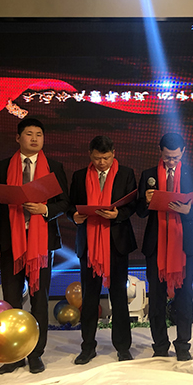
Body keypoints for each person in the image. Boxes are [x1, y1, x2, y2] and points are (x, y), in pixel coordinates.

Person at [0, 117, 69, 374]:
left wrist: (45, 209)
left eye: (39, 134)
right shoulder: (2, 167)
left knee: (39, 299)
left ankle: (35, 354)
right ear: (18, 138)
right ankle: (14, 355)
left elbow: (64, 203)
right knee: (11, 300)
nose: (34, 138)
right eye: (29, 134)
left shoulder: (54, 167)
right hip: (10, 241)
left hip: (40, 245)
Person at [68, 135, 138, 363]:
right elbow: (70, 205)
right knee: (89, 298)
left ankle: (123, 347)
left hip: (116, 243)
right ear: (90, 155)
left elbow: (133, 205)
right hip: (89, 244)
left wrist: (118, 214)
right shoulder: (79, 176)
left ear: (114, 153)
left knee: (118, 295)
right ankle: (87, 347)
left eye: (106, 158)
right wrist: (74, 216)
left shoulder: (125, 173)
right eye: (97, 158)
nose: (102, 163)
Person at [137, 133, 193, 361]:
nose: (171, 161)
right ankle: (160, 345)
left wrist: (188, 210)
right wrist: (146, 200)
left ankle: (183, 345)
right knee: (156, 297)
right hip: (156, 244)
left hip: (184, 244)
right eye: (167, 157)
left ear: (183, 151)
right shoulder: (148, 175)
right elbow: (140, 211)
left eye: (175, 157)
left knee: (185, 296)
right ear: (160, 152)